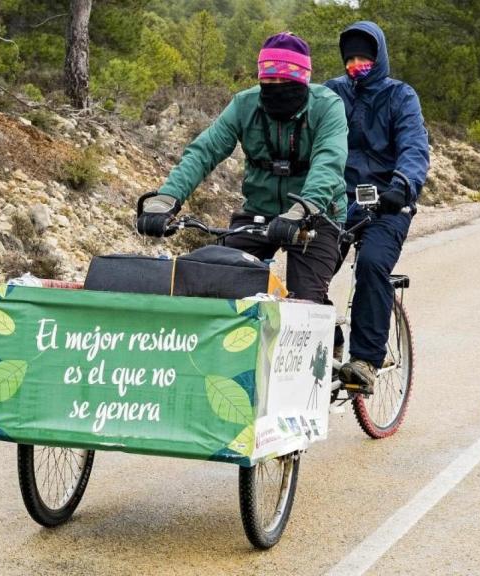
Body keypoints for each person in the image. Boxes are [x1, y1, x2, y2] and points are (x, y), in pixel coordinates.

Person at [136, 32, 348, 307]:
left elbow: (329, 161)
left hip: (317, 214)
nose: (275, 86)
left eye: (284, 80)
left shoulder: (327, 106)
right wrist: (166, 200)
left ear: (303, 80)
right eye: (268, 79)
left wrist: (303, 210)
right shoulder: (244, 104)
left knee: (305, 302)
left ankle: (328, 338)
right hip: (258, 210)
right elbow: (204, 151)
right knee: (219, 283)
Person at [324, 21, 430, 390]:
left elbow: (415, 147)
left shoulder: (400, 96)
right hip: (338, 203)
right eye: (350, 58)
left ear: (379, 57)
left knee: (370, 265)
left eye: (364, 58)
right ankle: (324, 340)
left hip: (388, 204)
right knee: (310, 269)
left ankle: (366, 359)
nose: (356, 64)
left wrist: (403, 185)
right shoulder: (331, 92)